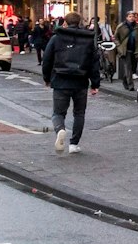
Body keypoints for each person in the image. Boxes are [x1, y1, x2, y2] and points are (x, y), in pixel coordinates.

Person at [38, 11, 101, 155]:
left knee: (58, 113)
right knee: (79, 113)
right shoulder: (88, 40)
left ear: (65, 22)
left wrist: (47, 78)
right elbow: (94, 63)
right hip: (81, 81)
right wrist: (95, 84)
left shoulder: (56, 38)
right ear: (79, 23)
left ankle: (60, 129)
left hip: (60, 80)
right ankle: (74, 144)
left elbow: (47, 60)